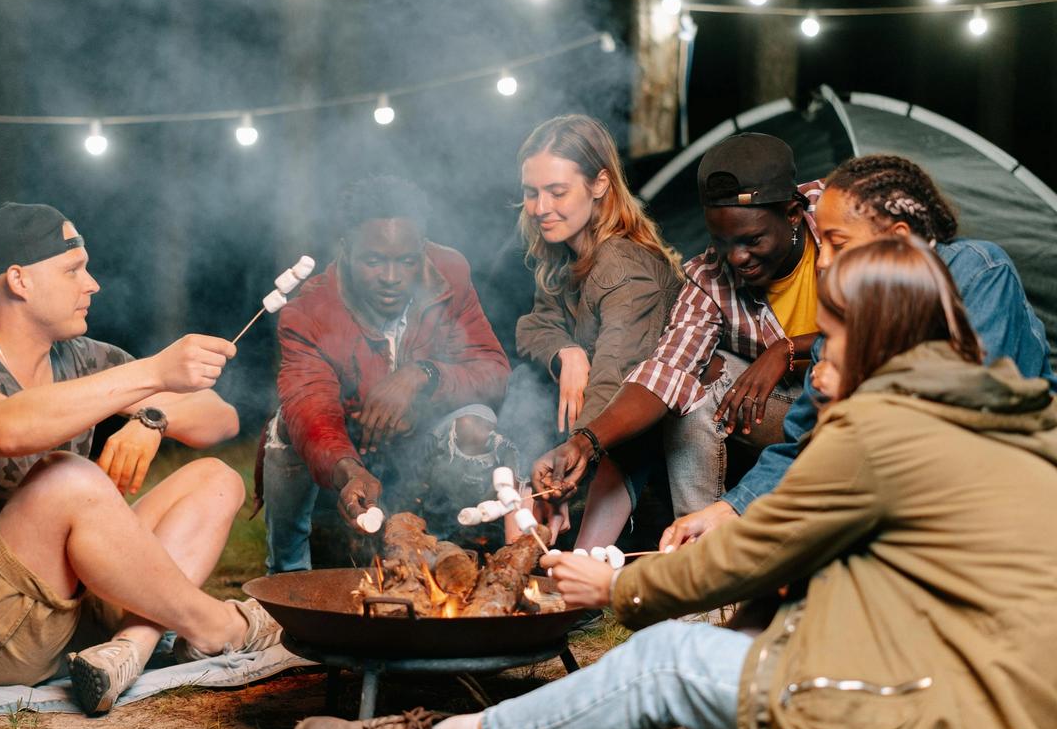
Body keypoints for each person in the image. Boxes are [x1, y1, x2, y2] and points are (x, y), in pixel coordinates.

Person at [288, 236, 1057, 729]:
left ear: (884, 334)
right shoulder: (999, 422)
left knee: (670, 661)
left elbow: (752, 551)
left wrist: (618, 589)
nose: (816, 352)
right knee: (780, 606)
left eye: (834, 332)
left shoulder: (885, 429)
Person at [0, 203, 282, 716]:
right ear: (19, 280)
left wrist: (151, 417)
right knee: (69, 473)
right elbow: (9, 429)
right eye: (73, 270)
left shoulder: (82, 358)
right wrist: (153, 372)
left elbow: (220, 420)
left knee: (215, 479)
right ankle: (218, 625)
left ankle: (129, 650)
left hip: (68, 612)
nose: (92, 284)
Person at [661, 153, 1056, 549]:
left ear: (898, 239)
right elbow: (805, 443)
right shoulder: (848, 310)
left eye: (838, 243)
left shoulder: (977, 274)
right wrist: (732, 510)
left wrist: (853, 387)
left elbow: (971, 411)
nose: (823, 261)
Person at [532, 133, 822, 542]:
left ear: (792, 213)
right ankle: (697, 562)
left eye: (752, 240)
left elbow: (892, 321)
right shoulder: (708, 277)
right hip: (780, 415)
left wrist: (789, 350)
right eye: (722, 242)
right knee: (698, 379)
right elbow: (666, 372)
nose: (736, 258)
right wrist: (584, 442)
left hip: (859, 410)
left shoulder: (845, 224)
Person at [257, 176, 512, 571]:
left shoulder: (450, 275)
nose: (392, 277)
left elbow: (493, 372)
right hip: (348, 463)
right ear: (346, 250)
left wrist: (422, 375)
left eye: (406, 261)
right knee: (283, 426)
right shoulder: (309, 312)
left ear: (422, 251)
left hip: (418, 445)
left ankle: (456, 555)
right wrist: (349, 470)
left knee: (478, 421)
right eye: (374, 261)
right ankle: (286, 571)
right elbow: (311, 406)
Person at [496, 115, 684, 545]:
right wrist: (567, 353)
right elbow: (534, 326)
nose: (541, 208)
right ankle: (522, 552)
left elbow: (617, 377)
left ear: (599, 184)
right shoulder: (564, 253)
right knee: (527, 384)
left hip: (647, 420)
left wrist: (575, 450)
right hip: (596, 413)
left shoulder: (623, 267)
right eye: (532, 193)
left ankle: (582, 561)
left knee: (620, 414)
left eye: (557, 192)